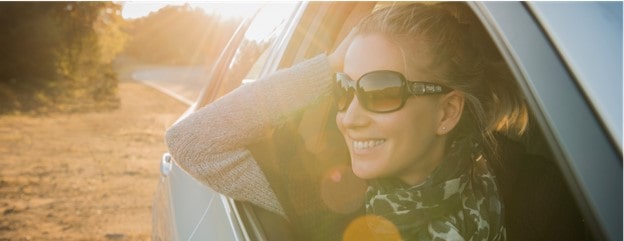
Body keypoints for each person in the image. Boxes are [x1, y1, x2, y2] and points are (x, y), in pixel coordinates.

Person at [165, 2, 528, 241]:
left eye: (381, 90)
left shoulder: (517, 182)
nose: (349, 118)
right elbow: (191, 140)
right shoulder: (314, 189)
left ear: (448, 112)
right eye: (344, 87)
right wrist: (329, 65)